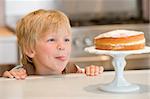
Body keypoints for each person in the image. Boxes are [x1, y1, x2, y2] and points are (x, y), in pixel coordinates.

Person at [3, 9, 104, 80]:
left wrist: (92, 71)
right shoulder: (22, 73)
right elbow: (9, 83)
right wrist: (10, 77)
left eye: (66, 40)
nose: (62, 46)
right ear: (30, 50)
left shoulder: (73, 70)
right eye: (51, 40)